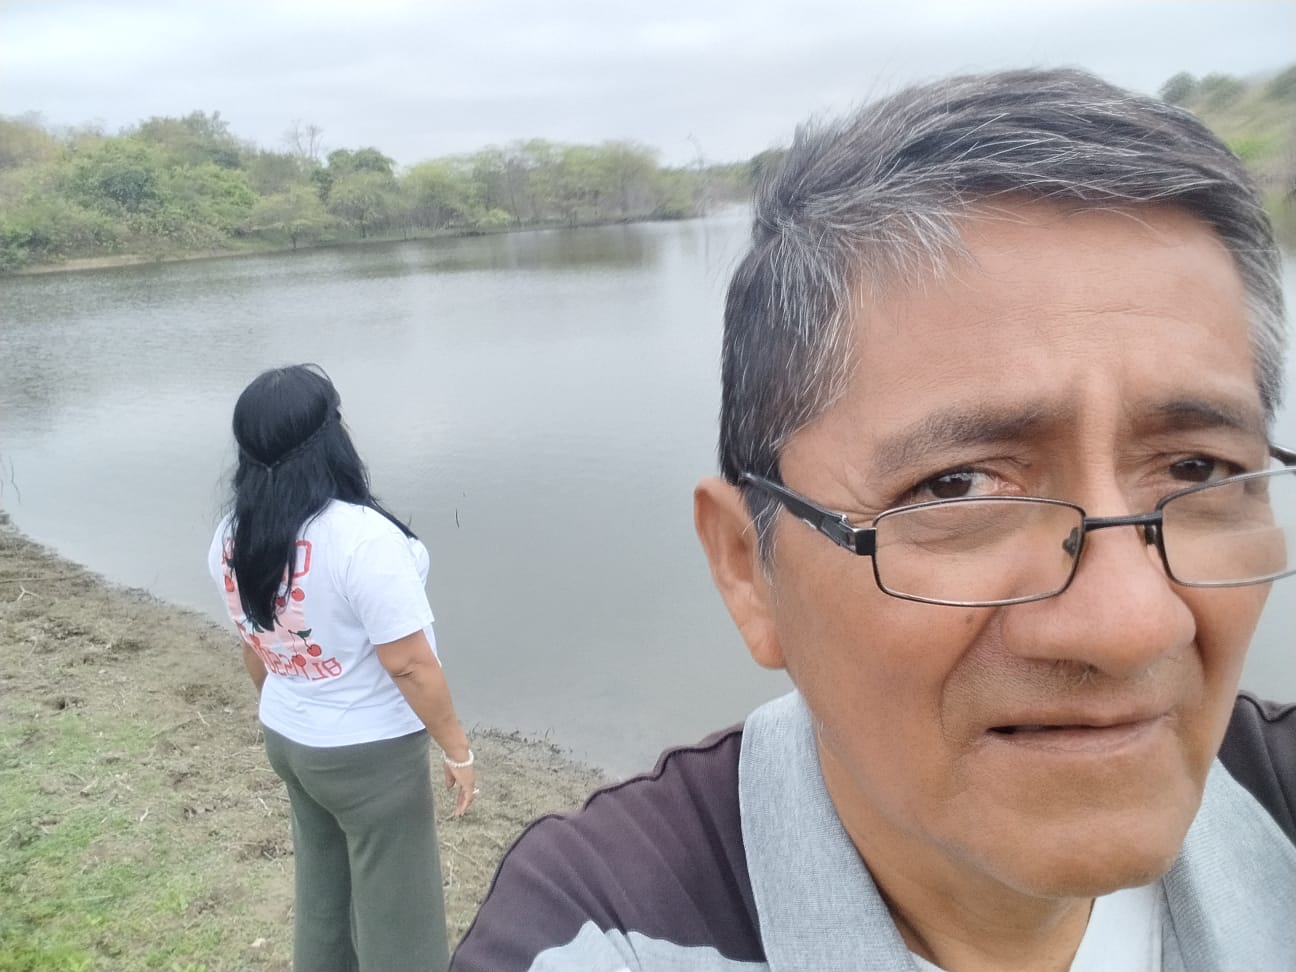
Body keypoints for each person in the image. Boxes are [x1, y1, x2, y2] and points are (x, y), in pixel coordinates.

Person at [453, 68, 1296, 971]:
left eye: (1198, 470)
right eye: (957, 486)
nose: (1131, 625)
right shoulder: (606, 929)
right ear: (747, 567)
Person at [209, 364, 476, 972]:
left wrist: (294, 707)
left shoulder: (230, 534)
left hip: (290, 737)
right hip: (369, 755)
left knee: (323, 898)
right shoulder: (360, 537)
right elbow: (410, 664)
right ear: (331, 436)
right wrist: (457, 750)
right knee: (400, 918)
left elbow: (255, 647)